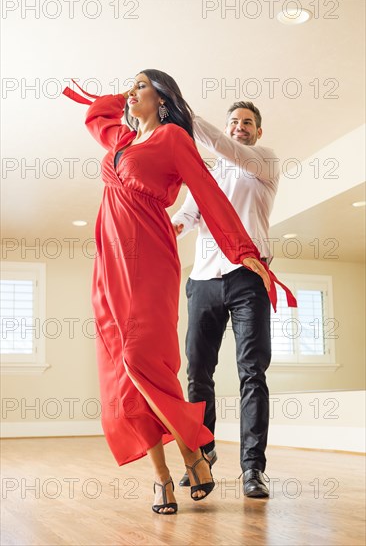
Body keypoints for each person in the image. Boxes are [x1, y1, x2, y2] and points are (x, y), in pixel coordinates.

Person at [63, 71, 294, 514]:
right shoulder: (122, 141)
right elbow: (96, 116)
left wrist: (244, 250)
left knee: (158, 362)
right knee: (132, 371)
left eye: (142, 86)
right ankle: (166, 478)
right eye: (234, 121)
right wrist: (125, 92)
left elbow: (211, 198)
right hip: (117, 262)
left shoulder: (201, 145)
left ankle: (237, 464)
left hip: (179, 266)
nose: (238, 128)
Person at [172, 101, 284, 498]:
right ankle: (203, 454)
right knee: (198, 373)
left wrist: (185, 115)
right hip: (203, 280)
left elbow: (226, 149)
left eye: (247, 123)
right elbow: (186, 218)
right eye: (234, 122)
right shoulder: (206, 175)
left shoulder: (263, 162)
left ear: (258, 132)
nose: (240, 127)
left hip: (247, 277)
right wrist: (165, 228)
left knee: (252, 373)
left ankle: (253, 468)